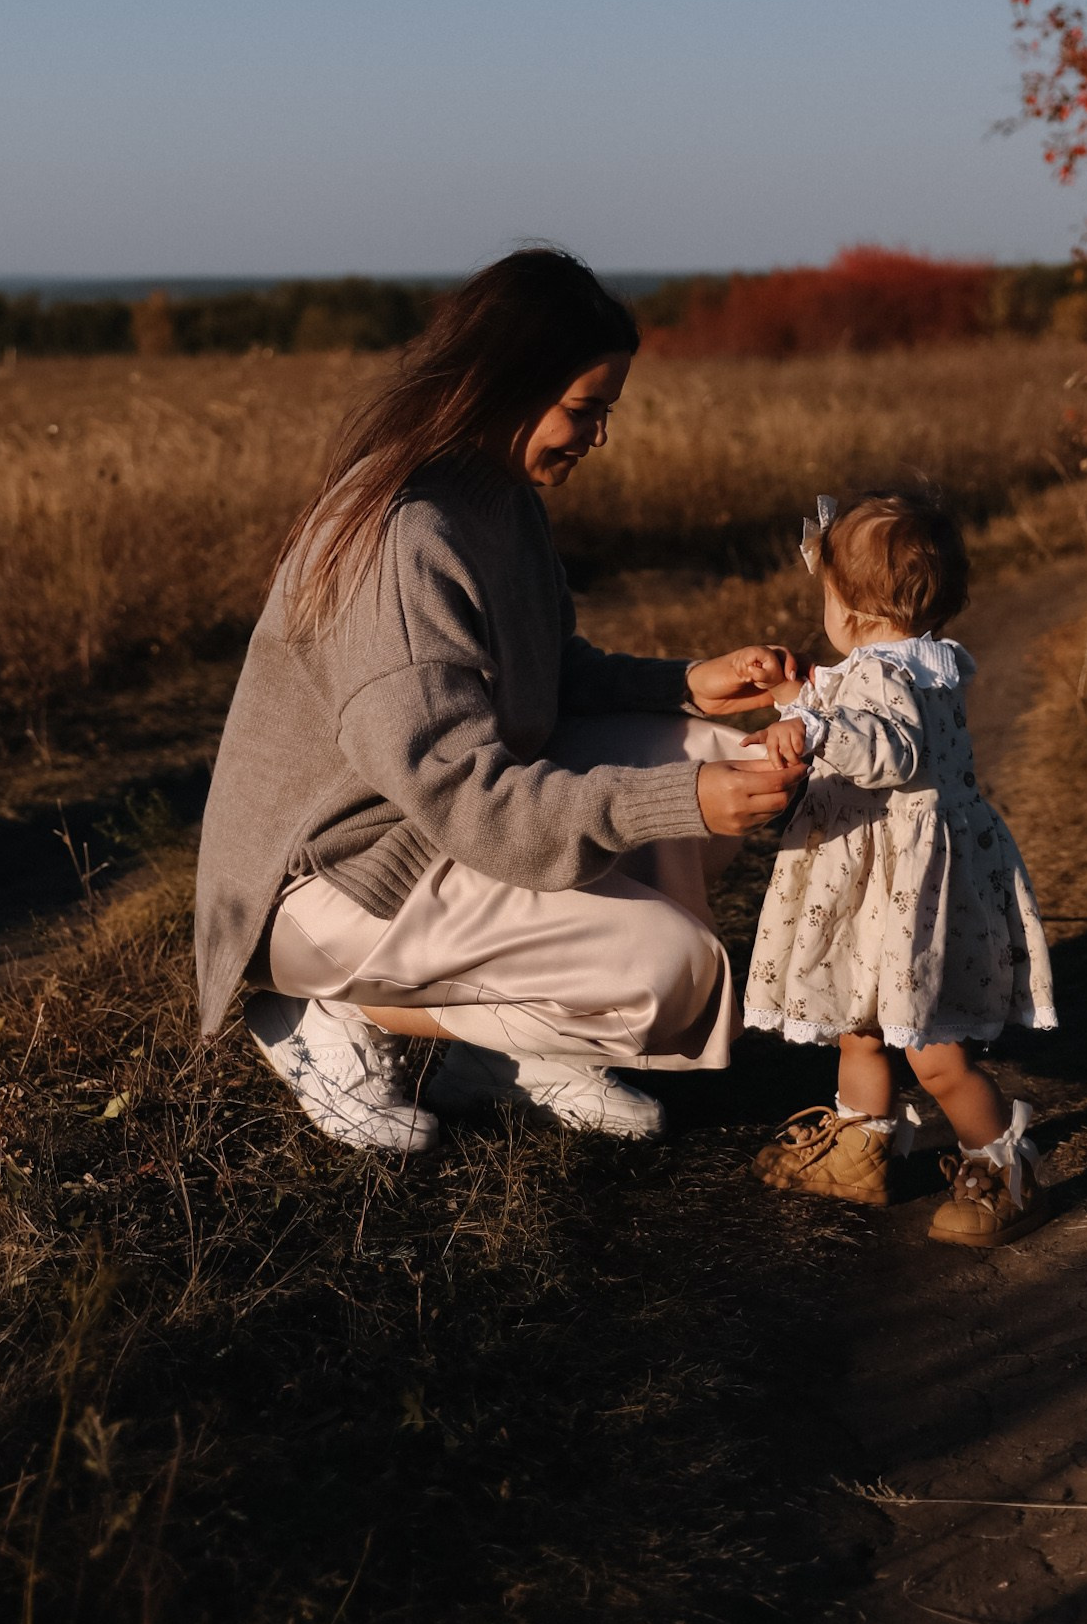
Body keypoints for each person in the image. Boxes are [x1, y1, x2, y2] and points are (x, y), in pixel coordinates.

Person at [194, 247, 801, 1154]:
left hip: (428, 834)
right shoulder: (404, 538)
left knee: (717, 754)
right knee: (673, 972)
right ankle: (330, 1014)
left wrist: (684, 683)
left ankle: (497, 1053)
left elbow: (545, 673)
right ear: (504, 389)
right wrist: (675, 801)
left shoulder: (498, 496)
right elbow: (467, 794)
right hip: (333, 884)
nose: (598, 438)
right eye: (584, 412)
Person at [745, 490, 1057, 1247]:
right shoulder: (919, 663)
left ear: (848, 612)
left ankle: (1002, 1164)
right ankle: (862, 1145)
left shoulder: (888, 677)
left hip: (902, 889)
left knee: (934, 1052)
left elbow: (890, 749)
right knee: (860, 1023)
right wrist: (797, 696)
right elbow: (864, 711)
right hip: (883, 883)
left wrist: (812, 727)